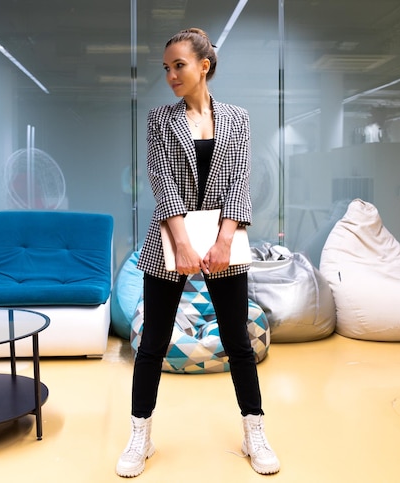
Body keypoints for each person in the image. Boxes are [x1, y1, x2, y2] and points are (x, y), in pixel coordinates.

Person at [116, 28, 280, 478]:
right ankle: (140, 435)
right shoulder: (158, 120)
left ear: (203, 66)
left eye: (179, 65)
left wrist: (226, 239)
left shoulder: (238, 118)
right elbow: (163, 184)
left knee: (238, 343)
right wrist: (184, 245)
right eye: (166, 68)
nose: (170, 74)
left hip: (223, 241)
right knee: (152, 344)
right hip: (171, 241)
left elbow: (238, 183)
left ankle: (255, 431)